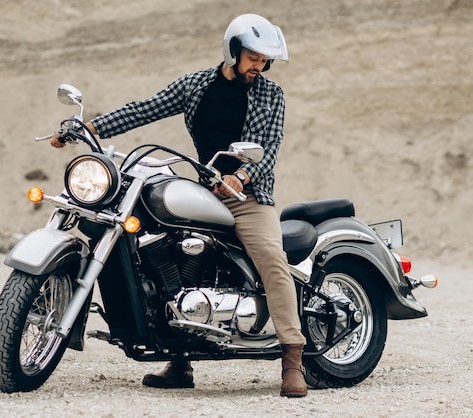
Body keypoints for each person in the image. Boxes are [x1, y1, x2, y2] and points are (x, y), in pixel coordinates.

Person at [50, 13, 307, 398]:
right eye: (253, 57)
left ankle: (292, 357)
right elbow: (146, 108)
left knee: (271, 257)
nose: (260, 66)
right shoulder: (196, 85)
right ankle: (180, 358)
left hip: (249, 196)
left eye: (264, 60)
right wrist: (90, 129)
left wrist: (241, 177)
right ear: (233, 50)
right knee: (166, 250)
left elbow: (267, 150)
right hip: (206, 189)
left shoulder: (272, 95)